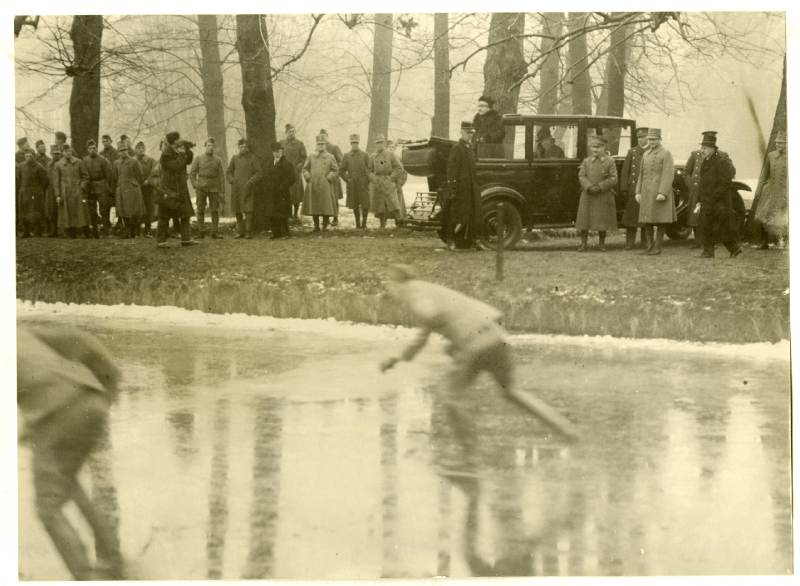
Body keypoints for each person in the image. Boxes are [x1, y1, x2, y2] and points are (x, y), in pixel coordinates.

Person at [380, 264, 579, 478]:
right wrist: (399, 358)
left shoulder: (414, 293)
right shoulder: (430, 290)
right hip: (495, 337)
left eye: (389, 283)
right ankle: (565, 429)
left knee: (450, 398)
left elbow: (431, 315)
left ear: (399, 283)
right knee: (511, 391)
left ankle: (470, 461)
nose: (389, 288)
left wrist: (453, 344)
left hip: (474, 343)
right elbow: (428, 330)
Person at [17, 326, 125, 581]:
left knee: (48, 508)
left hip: (55, 414)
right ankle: (113, 560)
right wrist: (109, 384)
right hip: (90, 402)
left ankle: (85, 577)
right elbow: (81, 339)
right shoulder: (17, 331)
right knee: (69, 483)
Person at [695, 131, 742, 259]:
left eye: (705, 148)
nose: (702, 151)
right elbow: (703, 183)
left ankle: (730, 248)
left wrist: (713, 197)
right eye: (701, 148)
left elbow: (725, 183)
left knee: (717, 226)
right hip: (707, 199)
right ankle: (714, 250)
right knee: (709, 225)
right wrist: (699, 199)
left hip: (718, 201)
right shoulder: (706, 161)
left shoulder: (720, 162)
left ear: (712, 149)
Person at [635, 128, 676, 255]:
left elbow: (668, 174)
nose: (651, 142)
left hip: (659, 192)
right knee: (647, 220)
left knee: (660, 220)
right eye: (650, 139)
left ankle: (657, 247)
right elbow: (641, 174)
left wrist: (662, 192)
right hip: (647, 192)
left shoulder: (666, 153)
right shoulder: (646, 154)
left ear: (660, 139)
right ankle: (649, 246)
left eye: (654, 139)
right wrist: (638, 191)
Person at [444, 122, 482, 250]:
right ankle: (450, 241)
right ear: (461, 132)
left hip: (470, 188)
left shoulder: (469, 148)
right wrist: (452, 190)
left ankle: (473, 241)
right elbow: (451, 170)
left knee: (472, 215)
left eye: (471, 133)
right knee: (455, 215)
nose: (470, 135)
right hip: (460, 189)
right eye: (467, 132)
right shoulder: (457, 148)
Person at [576, 135, 618, 252]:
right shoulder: (586, 161)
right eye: (593, 147)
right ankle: (583, 243)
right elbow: (581, 176)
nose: (595, 149)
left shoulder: (610, 161)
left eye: (598, 147)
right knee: (584, 220)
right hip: (588, 194)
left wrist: (600, 187)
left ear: (603, 147)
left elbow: (613, 178)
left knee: (602, 220)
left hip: (603, 194)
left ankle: (601, 244)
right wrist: (588, 187)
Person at [158, 131, 199, 247]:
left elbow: (188, 161)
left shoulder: (177, 151)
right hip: (169, 188)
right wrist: (182, 154)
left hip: (180, 188)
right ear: (174, 141)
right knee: (164, 215)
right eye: (179, 138)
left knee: (185, 214)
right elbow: (175, 166)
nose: (181, 140)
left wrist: (187, 151)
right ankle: (161, 241)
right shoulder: (166, 153)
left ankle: (186, 239)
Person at [751, 130, 788, 249]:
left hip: (784, 192)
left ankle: (785, 243)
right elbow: (763, 175)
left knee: (784, 217)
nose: (777, 144)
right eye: (777, 142)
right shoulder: (771, 155)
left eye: (781, 142)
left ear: (787, 143)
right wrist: (758, 190)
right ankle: (764, 242)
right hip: (769, 192)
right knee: (763, 215)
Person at [190, 137, 226, 239]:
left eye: (212, 146)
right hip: (201, 187)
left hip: (214, 188)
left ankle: (215, 232)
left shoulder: (218, 160)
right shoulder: (198, 158)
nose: (210, 147)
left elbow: (221, 177)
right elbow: (192, 174)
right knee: (200, 209)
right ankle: (200, 232)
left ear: (215, 147)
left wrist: (222, 191)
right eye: (208, 145)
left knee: (214, 210)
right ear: (205, 146)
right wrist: (196, 185)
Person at [54, 144, 93, 239]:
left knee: (82, 212)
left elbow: (86, 176)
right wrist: (58, 195)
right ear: (62, 153)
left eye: (69, 151)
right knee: (68, 212)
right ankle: (72, 232)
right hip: (65, 192)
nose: (68, 153)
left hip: (78, 190)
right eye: (65, 151)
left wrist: (81, 187)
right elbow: (56, 181)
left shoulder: (78, 162)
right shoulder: (58, 164)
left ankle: (86, 231)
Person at [302, 134, 339, 231]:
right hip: (313, 184)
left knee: (325, 205)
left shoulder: (330, 157)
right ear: (316, 145)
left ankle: (325, 225)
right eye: (319, 144)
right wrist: (308, 177)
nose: (321, 146)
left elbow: (335, 170)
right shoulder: (311, 156)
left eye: (322, 144)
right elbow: (305, 168)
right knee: (314, 205)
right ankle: (316, 226)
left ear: (325, 145)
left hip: (325, 184)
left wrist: (329, 178)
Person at [619, 127, 648, 249]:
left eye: (643, 137)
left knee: (646, 217)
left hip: (646, 189)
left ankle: (645, 242)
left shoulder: (651, 151)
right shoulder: (632, 151)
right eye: (639, 137)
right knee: (631, 217)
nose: (641, 140)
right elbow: (625, 171)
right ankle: (629, 243)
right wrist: (624, 188)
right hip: (633, 189)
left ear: (648, 137)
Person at [227, 138, 261, 239]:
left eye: (245, 147)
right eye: (241, 147)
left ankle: (248, 231)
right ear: (238, 147)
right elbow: (229, 171)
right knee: (238, 210)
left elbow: (259, 173)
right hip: (237, 188)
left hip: (248, 188)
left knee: (248, 210)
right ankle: (240, 231)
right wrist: (232, 180)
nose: (243, 149)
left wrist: (250, 182)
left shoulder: (252, 158)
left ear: (247, 147)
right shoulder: (235, 158)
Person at [262, 141, 297, 239]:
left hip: (282, 193)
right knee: (273, 213)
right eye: (274, 152)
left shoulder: (287, 164)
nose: (276, 153)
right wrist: (267, 186)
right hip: (271, 192)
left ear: (282, 151)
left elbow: (292, 177)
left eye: (277, 151)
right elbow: (265, 176)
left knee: (283, 213)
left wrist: (283, 186)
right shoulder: (269, 163)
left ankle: (286, 232)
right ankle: (275, 233)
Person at [339, 133, 373, 229]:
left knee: (365, 203)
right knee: (355, 204)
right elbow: (341, 170)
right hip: (352, 184)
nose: (355, 144)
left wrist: (367, 179)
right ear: (350, 143)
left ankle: (364, 224)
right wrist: (348, 179)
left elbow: (370, 169)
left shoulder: (365, 155)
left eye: (356, 143)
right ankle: (358, 225)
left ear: (359, 143)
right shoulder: (346, 156)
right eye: (353, 143)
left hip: (363, 183)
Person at [370, 134, 403, 230]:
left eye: (381, 143)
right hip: (378, 183)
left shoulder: (391, 154)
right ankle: (382, 225)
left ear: (384, 143)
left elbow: (399, 167)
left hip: (389, 182)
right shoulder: (372, 156)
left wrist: (391, 178)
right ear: (375, 145)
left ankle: (400, 224)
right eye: (377, 143)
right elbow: (369, 171)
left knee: (393, 203)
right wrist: (374, 179)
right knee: (380, 204)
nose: (379, 145)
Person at [113, 143, 146, 238]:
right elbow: (115, 177)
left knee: (134, 211)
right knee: (123, 211)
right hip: (121, 189)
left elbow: (140, 176)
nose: (123, 152)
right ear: (118, 152)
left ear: (127, 150)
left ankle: (133, 231)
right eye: (121, 150)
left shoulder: (134, 161)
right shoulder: (116, 163)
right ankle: (126, 230)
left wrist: (135, 186)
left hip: (133, 189)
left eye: (125, 150)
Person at [82, 139, 113, 238]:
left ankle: (106, 232)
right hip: (90, 186)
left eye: (94, 148)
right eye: (90, 148)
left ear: (96, 149)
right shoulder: (85, 160)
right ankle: (95, 231)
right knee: (92, 210)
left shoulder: (103, 159)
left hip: (102, 185)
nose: (92, 150)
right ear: (87, 150)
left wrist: (107, 186)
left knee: (103, 209)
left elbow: (109, 173)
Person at [16, 148, 49, 237]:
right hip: (24, 192)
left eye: (30, 156)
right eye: (26, 156)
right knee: (24, 211)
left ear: (34, 156)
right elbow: (19, 179)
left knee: (35, 212)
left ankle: (38, 231)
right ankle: (25, 231)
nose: (28, 158)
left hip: (35, 193)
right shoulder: (21, 166)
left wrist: (38, 190)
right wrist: (24, 189)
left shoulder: (39, 167)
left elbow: (45, 181)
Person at [281, 124, 307, 223]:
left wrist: (298, 168)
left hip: (296, 173)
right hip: (284, 173)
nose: (291, 133)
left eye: (293, 131)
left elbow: (304, 157)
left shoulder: (300, 143)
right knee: (286, 194)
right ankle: (288, 214)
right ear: (286, 133)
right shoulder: (282, 143)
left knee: (296, 194)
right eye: (289, 132)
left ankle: (295, 214)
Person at [319, 129, 344, 226]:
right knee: (324, 198)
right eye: (321, 136)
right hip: (323, 178)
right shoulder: (318, 149)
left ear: (327, 137)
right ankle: (326, 219)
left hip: (333, 178)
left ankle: (335, 218)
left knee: (334, 198)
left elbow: (341, 162)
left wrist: (334, 171)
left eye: (324, 136)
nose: (323, 138)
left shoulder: (334, 148)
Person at [135, 142, 156, 238]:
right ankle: (137, 230)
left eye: (142, 148)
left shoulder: (151, 160)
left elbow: (154, 173)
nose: (141, 150)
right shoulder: (133, 160)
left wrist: (148, 180)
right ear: (135, 150)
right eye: (139, 148)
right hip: (137, 188)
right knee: (137, 208)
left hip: (148, 188)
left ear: (145, 149)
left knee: (148, 208)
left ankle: (148, 230)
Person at [387, 140, 408, 223]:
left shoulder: (398, 159)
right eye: (389, 147)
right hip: (386, 184)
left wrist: (400, 183)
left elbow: (404, 172)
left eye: (393, 147)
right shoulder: (383, 159)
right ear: (386, 148)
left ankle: (398, 221)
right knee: (386, 204)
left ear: (395, 148)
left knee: (398, 204)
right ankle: (383, 222)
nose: (391, 149)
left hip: (396, 185)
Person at [44, 145, 62, 237]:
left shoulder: (63, 163)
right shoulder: (48, 164)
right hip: (51, 190)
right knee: (51, 210)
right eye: (54, 154)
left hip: (61, 189)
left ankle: (62, 231)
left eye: (58, 154)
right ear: (51, 154)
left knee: (61, 210)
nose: (56, 156)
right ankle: (53, 230)